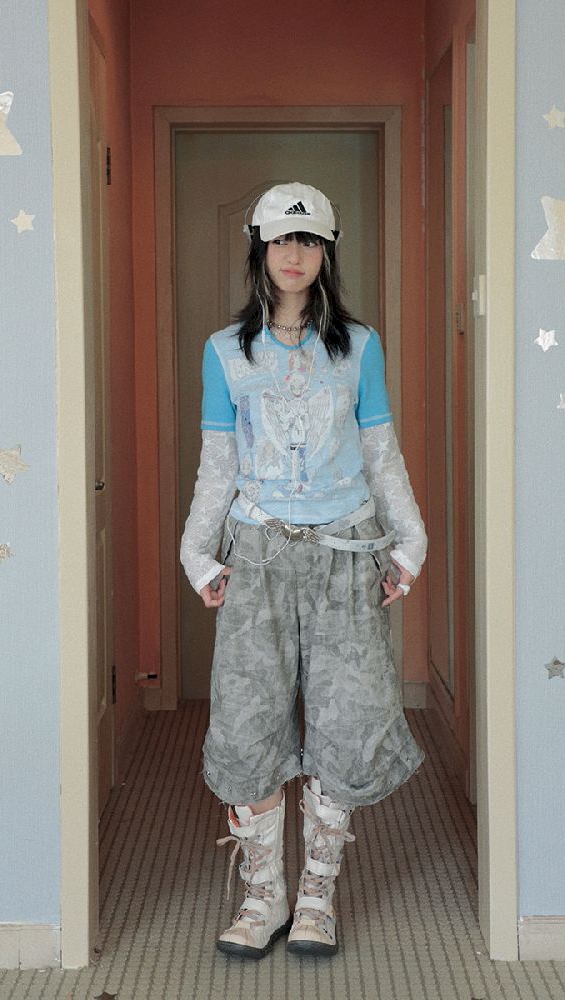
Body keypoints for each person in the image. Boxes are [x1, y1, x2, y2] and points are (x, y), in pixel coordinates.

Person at [180, 181, 427, 960]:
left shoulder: (359, 347)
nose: (294, 255)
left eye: (309, 241)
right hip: (257, 555)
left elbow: (381, 452)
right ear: (260, 248)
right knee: (248, 722)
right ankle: (264, 895)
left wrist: (409, 542)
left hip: (345, 555)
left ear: (327, 253)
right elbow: (218, 464)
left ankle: (317, 894)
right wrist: (197, 552)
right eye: (282, 240)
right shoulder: (227, 351)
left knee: (346, 722)